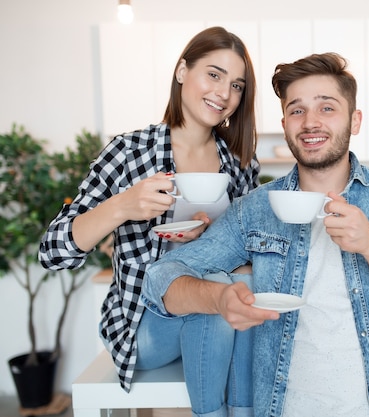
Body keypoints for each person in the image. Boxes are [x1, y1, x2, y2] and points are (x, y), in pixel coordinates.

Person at [142, 52, 369, 417]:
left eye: (327, 108)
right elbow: (161, 279)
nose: (310, 123)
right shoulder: (254, 210)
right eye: (297, 110)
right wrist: (219, 299)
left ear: (355, 121)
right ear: (285, 123)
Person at [39, 26, 260, 417]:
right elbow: (53, 251)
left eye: (237, 85)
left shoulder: (240, 165)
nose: (224, 94)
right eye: (213, 74)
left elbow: (246, 258)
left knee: (229, 288)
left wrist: (212, 239)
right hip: (142, 327)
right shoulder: (130, 151)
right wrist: (123, 205)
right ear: (181, 71)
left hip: (213, 316)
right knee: (217, 295)